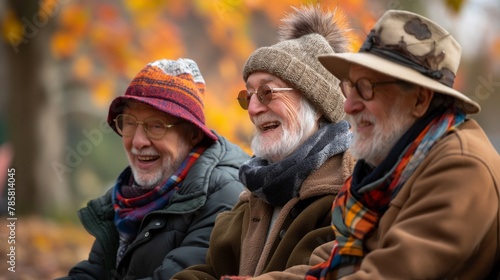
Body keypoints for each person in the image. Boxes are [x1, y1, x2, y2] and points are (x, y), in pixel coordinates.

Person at [305, 9, 500, 280]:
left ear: (420, 100)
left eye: (367, 87)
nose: (348, 105)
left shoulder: (462, 166)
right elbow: (324, 268)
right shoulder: (388, 167)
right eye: (349, 86)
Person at [172, 5, 355, 280]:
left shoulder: (352, 188)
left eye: (267, 92)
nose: (253, 108)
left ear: (315, 104)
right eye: (248, 96)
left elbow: (332, 270)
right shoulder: (252, 196)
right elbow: (211, 271)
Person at [60, 58, 250, 279]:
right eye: (130, 123)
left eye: (156, 126)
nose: (138, 141)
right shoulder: (127, 197)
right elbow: (94, 272)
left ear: (193, 134)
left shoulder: (224, 194)